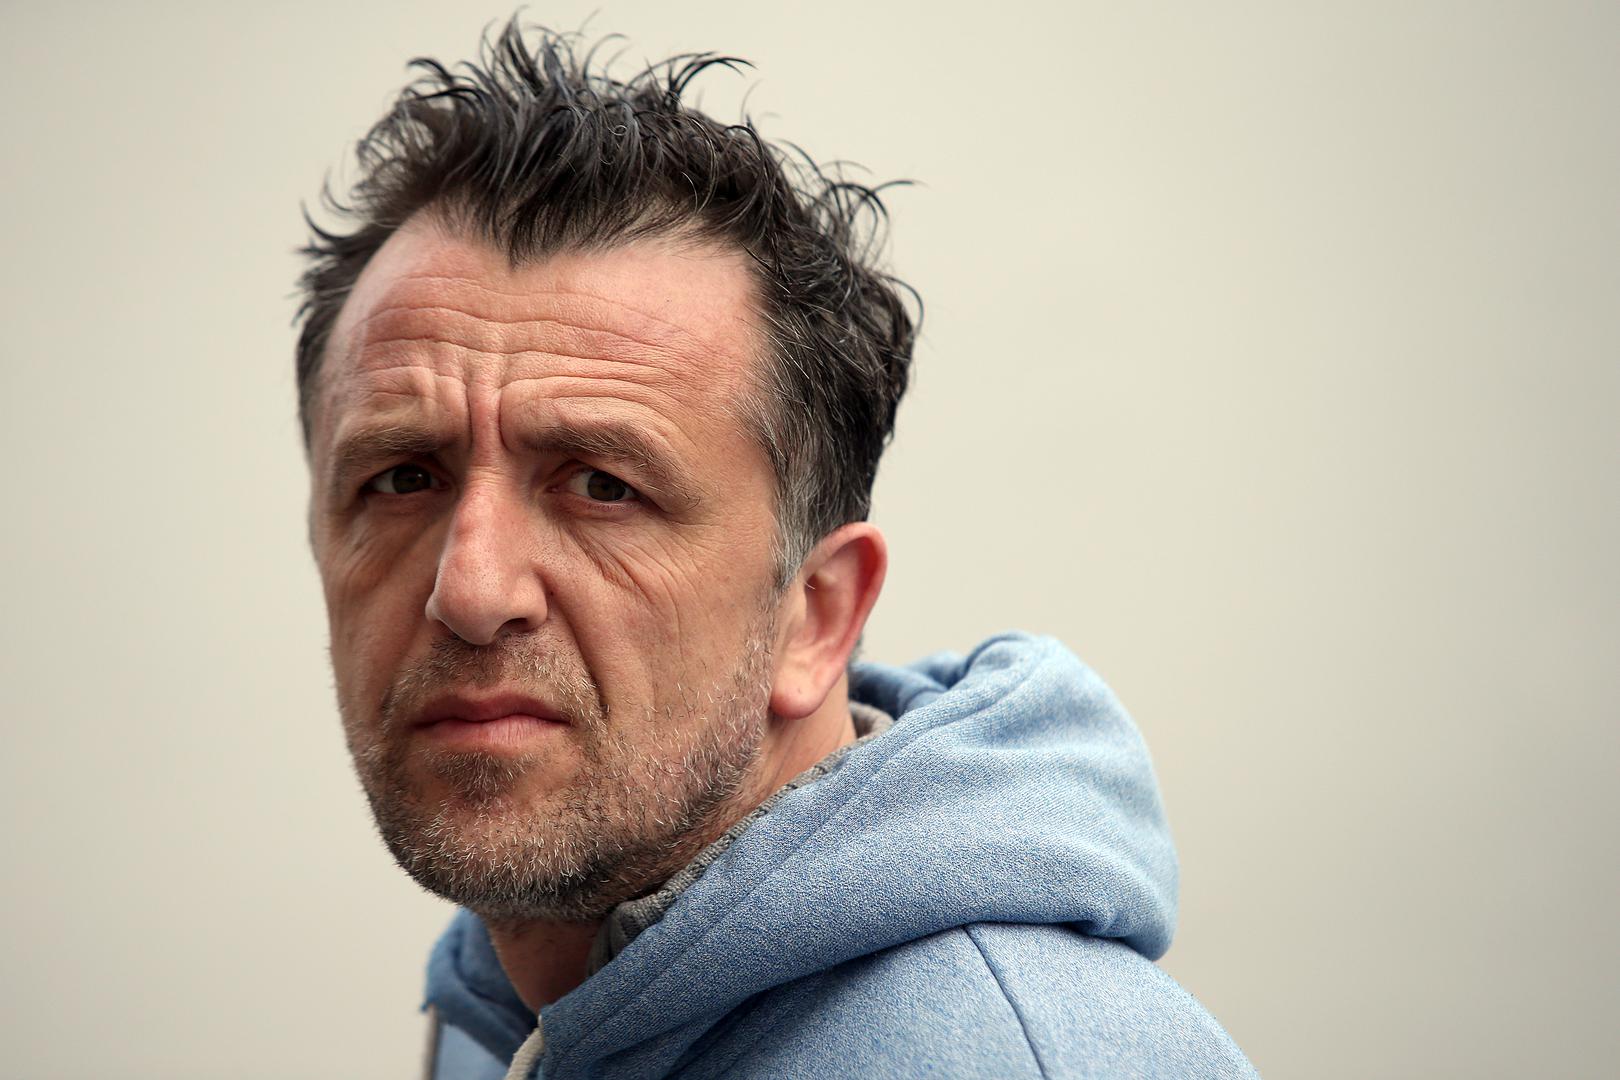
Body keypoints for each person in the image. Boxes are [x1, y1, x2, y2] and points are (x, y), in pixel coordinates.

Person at [295, 19, 1257, 1080]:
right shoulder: (507, 1007)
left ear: (818, 615)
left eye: (604, 487)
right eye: (403, 479)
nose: (471, 589)